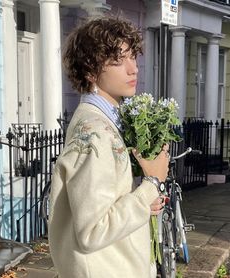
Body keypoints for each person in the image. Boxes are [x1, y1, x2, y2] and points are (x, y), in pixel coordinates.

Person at [49, 16, 169, 278]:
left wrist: (144, 202)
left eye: (132, 57)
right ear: (90, 71)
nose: (133, 69)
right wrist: (152, 184)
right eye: (118, 60)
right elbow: (92, 231)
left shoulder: (102, 122)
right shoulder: (96, 134)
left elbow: (103, 203)